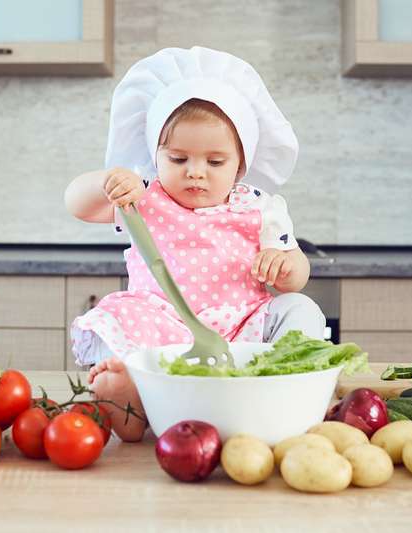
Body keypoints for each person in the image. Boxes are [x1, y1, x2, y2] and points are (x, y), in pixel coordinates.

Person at [64, 46, 326, 441]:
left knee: (299, 307)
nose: (196, 173)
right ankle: (130, 400)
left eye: (215, 162)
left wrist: (286, 267)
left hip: (240, 331)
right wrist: (109, 182)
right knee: (116, 315)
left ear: (241, 163)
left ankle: (282, 385)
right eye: (178, 159)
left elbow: (297, 274)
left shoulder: (260, 209)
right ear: (156, 156)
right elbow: (77, 204)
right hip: (162, 323)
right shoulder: (143, 199)